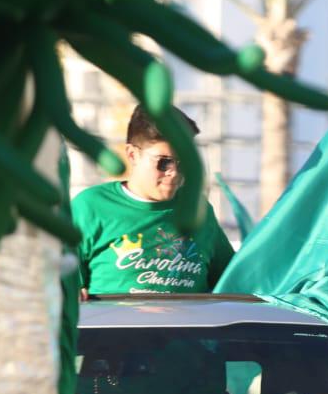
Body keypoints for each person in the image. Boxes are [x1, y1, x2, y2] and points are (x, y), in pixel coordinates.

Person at [72, 104, 235, 295]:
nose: (173, 173)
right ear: (133, 155)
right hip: (116, 324)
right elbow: (59, 280)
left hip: (188, 325)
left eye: (184, 161)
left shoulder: (198, 209)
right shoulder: (91, 206)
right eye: (163, 162)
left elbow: (231, 281)